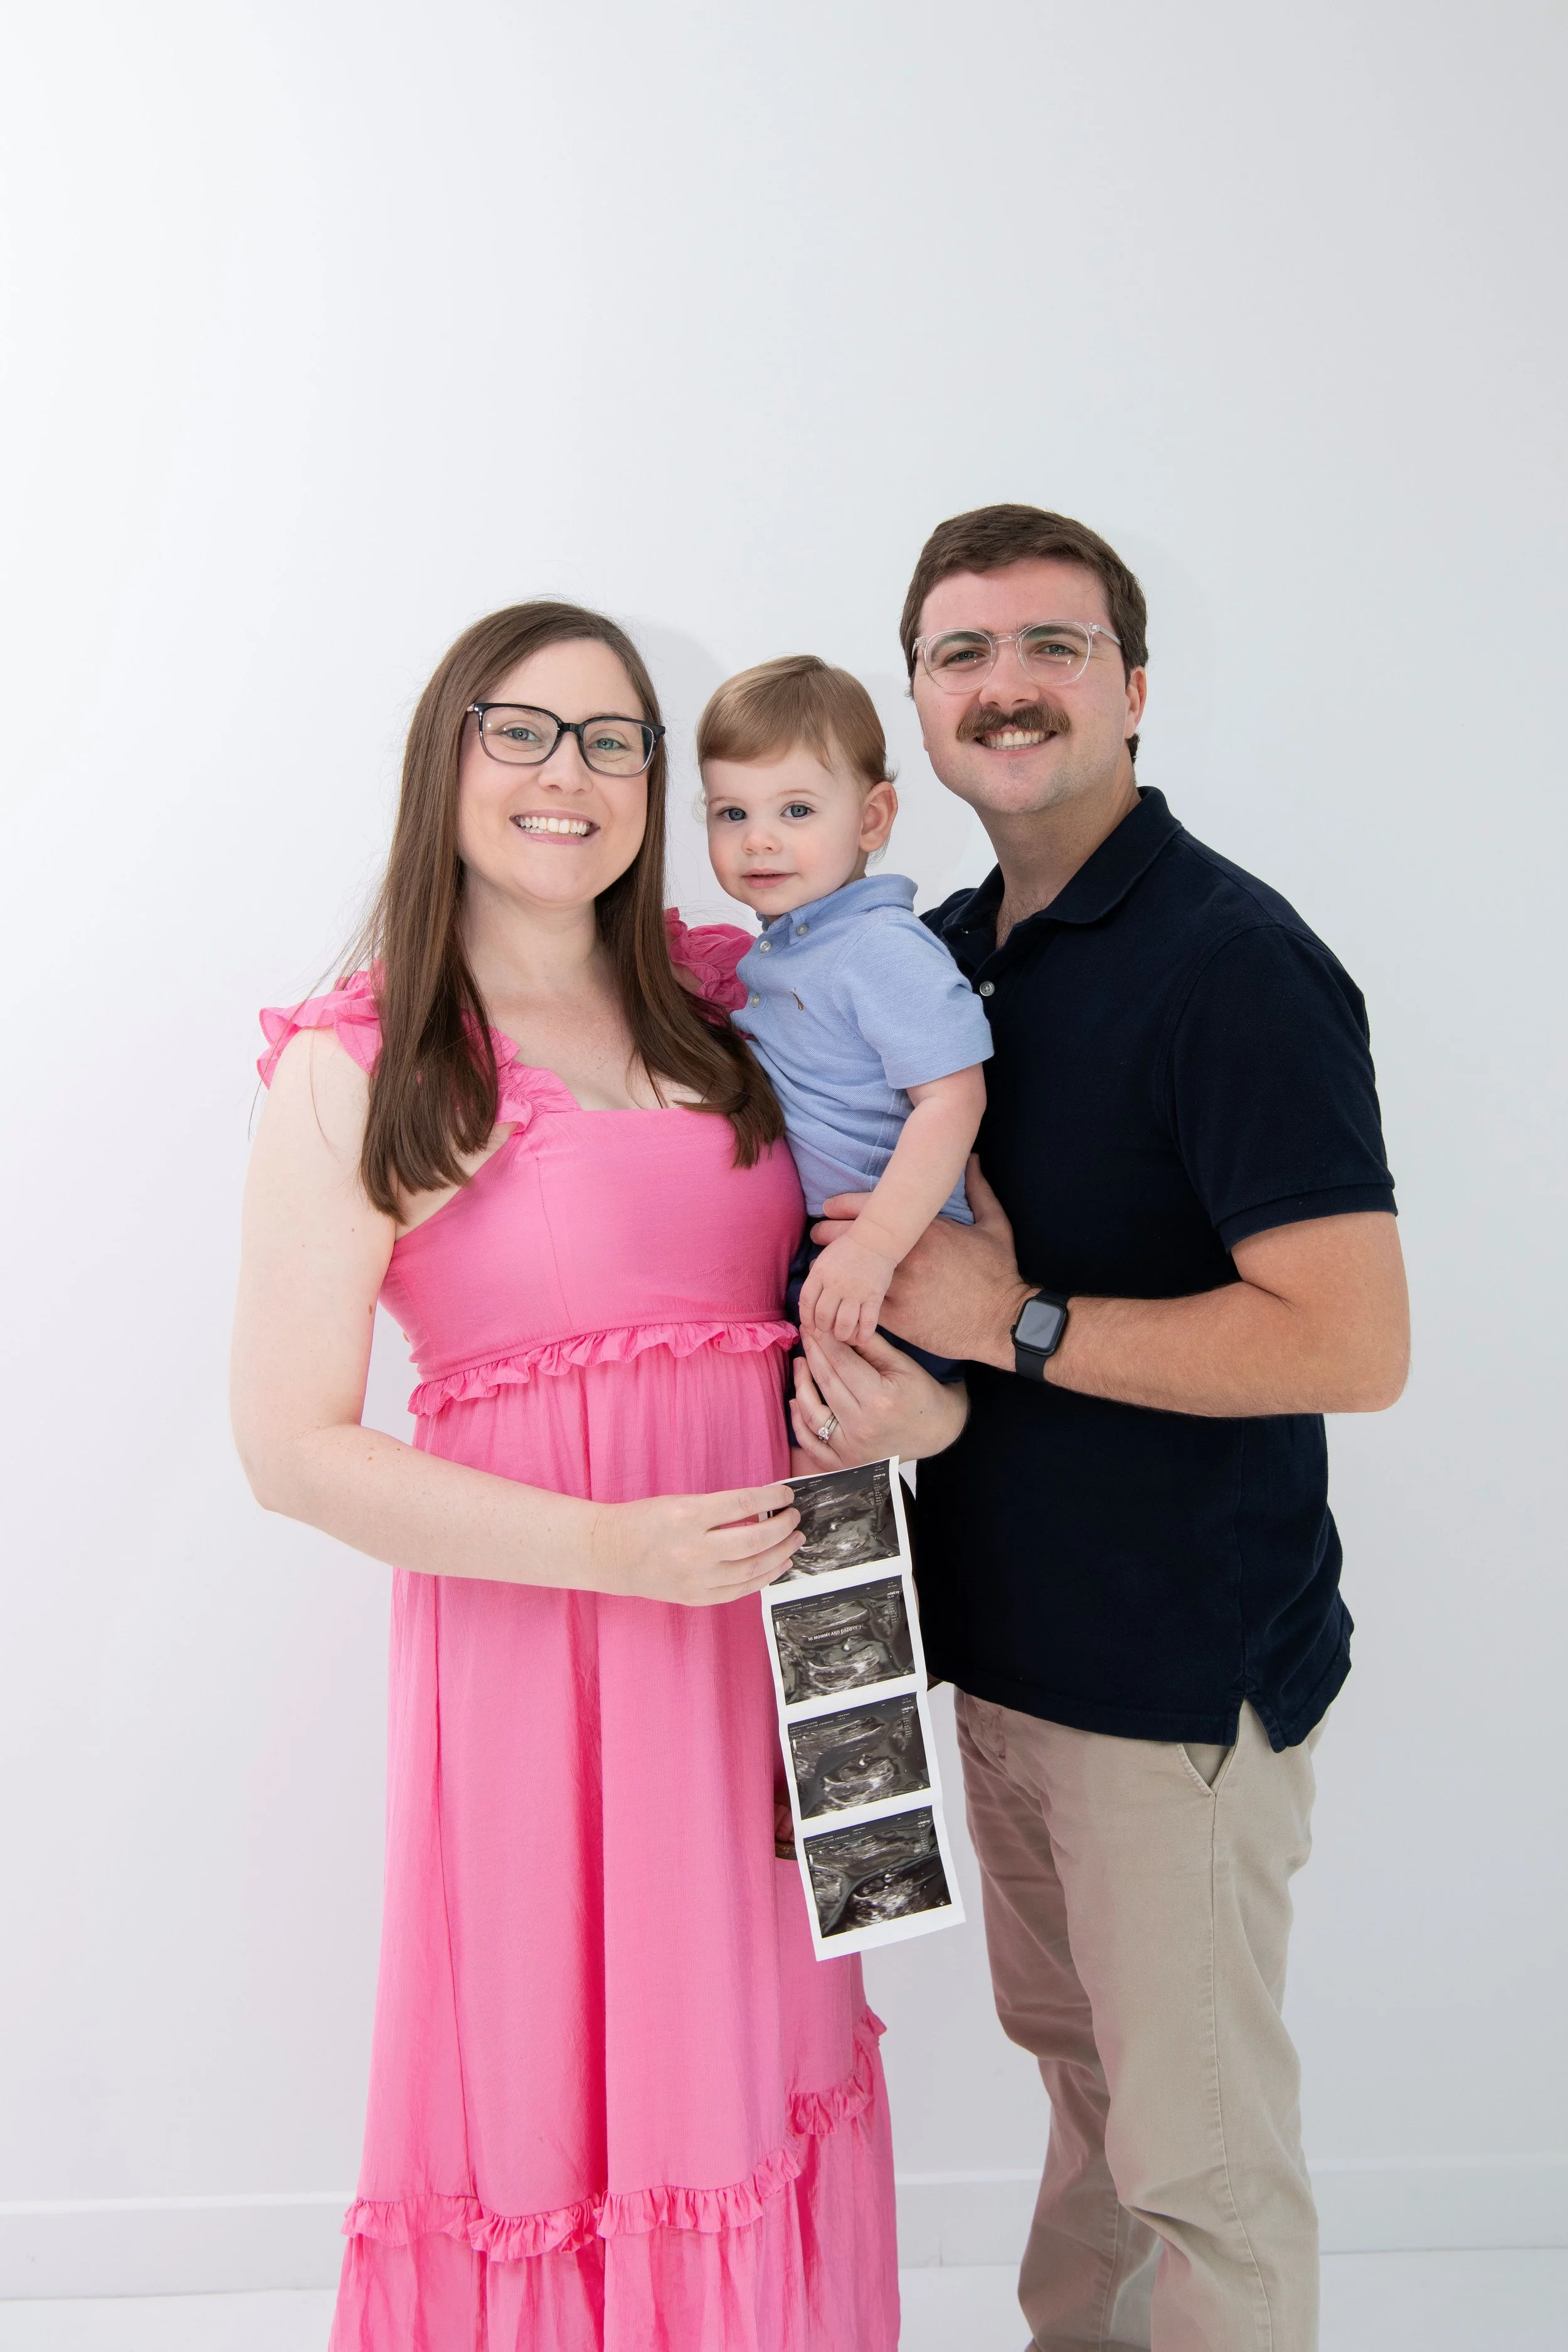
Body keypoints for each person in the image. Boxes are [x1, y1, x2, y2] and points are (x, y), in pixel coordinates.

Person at [230, 601, 909, 2352]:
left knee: (758, 2071)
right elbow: (288, 1444)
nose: (568, 773)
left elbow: (882, 1267)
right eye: (519, 729)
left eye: (613, 738)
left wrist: (926, 1416)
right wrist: (612, 1546)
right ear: (442, 759)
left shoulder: (724, 992)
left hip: (776, 1640)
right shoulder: (358, 1061)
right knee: (547, 2094)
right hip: (542, 1659)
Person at [798, 506, 1410, 2352]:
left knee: (1197, 2168)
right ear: (914, 703)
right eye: (960, 652)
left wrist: (1022, 1321)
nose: (1005, 683)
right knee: (1088, 2120)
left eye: (1049, 645)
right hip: (1006, 1671)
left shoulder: (1228, 958)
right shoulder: (947, 956)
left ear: (1129, 687)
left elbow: (1351, 1342)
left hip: (1169, 1691)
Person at [694, 654, 990, 1377]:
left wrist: (877, 1246)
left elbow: (953, 1099)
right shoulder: (797, 941)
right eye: (732, 813)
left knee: (823, 1449)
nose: (758, 839)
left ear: (870, 819)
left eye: (795, 810)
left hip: (895, 1258)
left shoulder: (877, 946)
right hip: (828, 1243)